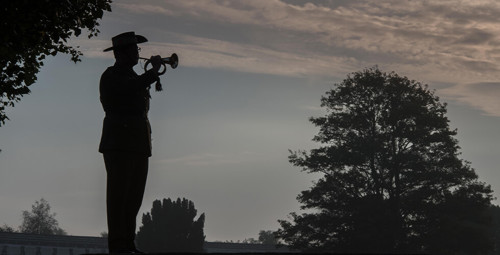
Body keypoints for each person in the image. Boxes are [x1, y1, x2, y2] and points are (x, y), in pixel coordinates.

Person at [99, 31, 162, 254]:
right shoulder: (112, 76)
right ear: (123, 53)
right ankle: (118, 246)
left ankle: (127, 244)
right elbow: (127, 91)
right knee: (119, 198)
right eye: (135, 49)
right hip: (120, 144)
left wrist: (151, 74)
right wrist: (153, 72)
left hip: (138, 145)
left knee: (133, 199)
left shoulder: (133, 77)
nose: (138, 53)